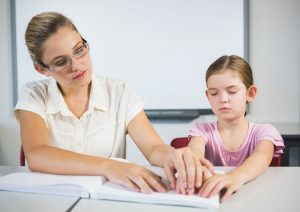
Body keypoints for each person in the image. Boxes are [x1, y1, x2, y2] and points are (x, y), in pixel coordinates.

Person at [14, 12, 209, 195]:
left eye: (79, 50)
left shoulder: (120, 92)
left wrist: (173, 156)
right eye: (61, 61)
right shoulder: (34, 95)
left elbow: (154, 148)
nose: (77, 65)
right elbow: (37, 155)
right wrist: (109, 166)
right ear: (42, 69)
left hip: (106, 201)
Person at [187, 55, 284, 201]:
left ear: (250, 94)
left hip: (254, 199)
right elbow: (195, 151)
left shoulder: (265, 132)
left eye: (232, 91)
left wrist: (236, 177)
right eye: (214, 93)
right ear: (208, 96)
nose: (223, 99)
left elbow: (262, 156)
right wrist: (195, 164)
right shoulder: (201, 131)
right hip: (214, 199)